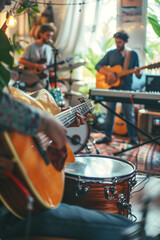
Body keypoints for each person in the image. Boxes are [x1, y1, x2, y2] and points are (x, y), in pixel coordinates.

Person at [95, 30, 142, 145]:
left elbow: (139, 75)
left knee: (129, 114)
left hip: (127, 89)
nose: (118, 45)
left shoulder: (133, 54)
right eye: (116, 42)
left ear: (126, 41)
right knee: (110, 113)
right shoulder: (111, 54)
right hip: (112, 89)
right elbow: (98, 65)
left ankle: (132, 137)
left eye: (120, 42)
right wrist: (109, 73)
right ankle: (107, 136)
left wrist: (137, 73)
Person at [18, 24, 56, 91]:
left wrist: (54, 69)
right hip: (32, 81)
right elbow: (21, 60)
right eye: (47, 35)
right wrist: (36, 65)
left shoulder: (50, 49)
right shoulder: (31, 47)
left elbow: (51, 67)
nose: (49, 38)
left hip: (45, 81)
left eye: (51, 36)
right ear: (41, 34)